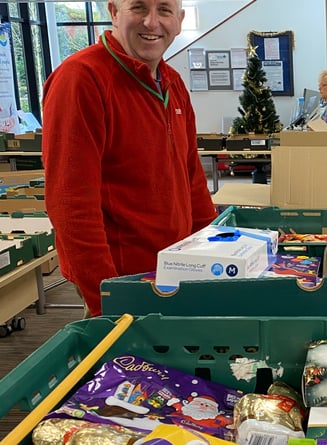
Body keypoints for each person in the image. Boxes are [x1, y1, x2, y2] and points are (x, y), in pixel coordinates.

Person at [42, 0, 217, 318]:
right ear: (113, 12)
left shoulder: (173, 83)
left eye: (164, 10)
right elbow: (71, 204)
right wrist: (108, 298)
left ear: (179, 20)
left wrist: (212, 257)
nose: (152, 22)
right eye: (139, 7)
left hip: (174, 276)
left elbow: (191, 179)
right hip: (124, 284)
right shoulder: (81, 78)